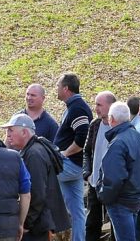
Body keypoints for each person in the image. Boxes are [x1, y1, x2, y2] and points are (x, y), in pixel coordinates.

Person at [3, 114, 70, 241]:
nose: (8, 135)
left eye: (11, 130)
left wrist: (26, 222)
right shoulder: (33, 150)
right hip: (39, 221)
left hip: (37, 225)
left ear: (24, 132)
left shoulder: (34, 154)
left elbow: (37, 192)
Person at [98, 103, 140, 241]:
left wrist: (103, 195)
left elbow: (114, 178)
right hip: (136, 198)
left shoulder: (118, 143)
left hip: (121, 201)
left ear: (112, 119)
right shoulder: (139, 137)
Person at [53, 72, 92, 241]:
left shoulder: (77, 108)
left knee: (41, 180)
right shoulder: (73, 107)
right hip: (75, 165)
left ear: (66, 89)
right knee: (77, 210)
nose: (56, 89)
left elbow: (82, 138)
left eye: (58, 86)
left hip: (70, 164)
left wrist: (64, 153)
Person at [82, 91, 115, 241]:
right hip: (94, 183)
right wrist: (87, 173)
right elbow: (87, 151)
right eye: (96, 104)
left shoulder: (118, 127)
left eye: (99, 105)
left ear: (111, 106)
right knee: (92, 223)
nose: (96, 108)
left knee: (114, 222)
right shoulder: (95, 125)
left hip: (112, 185)